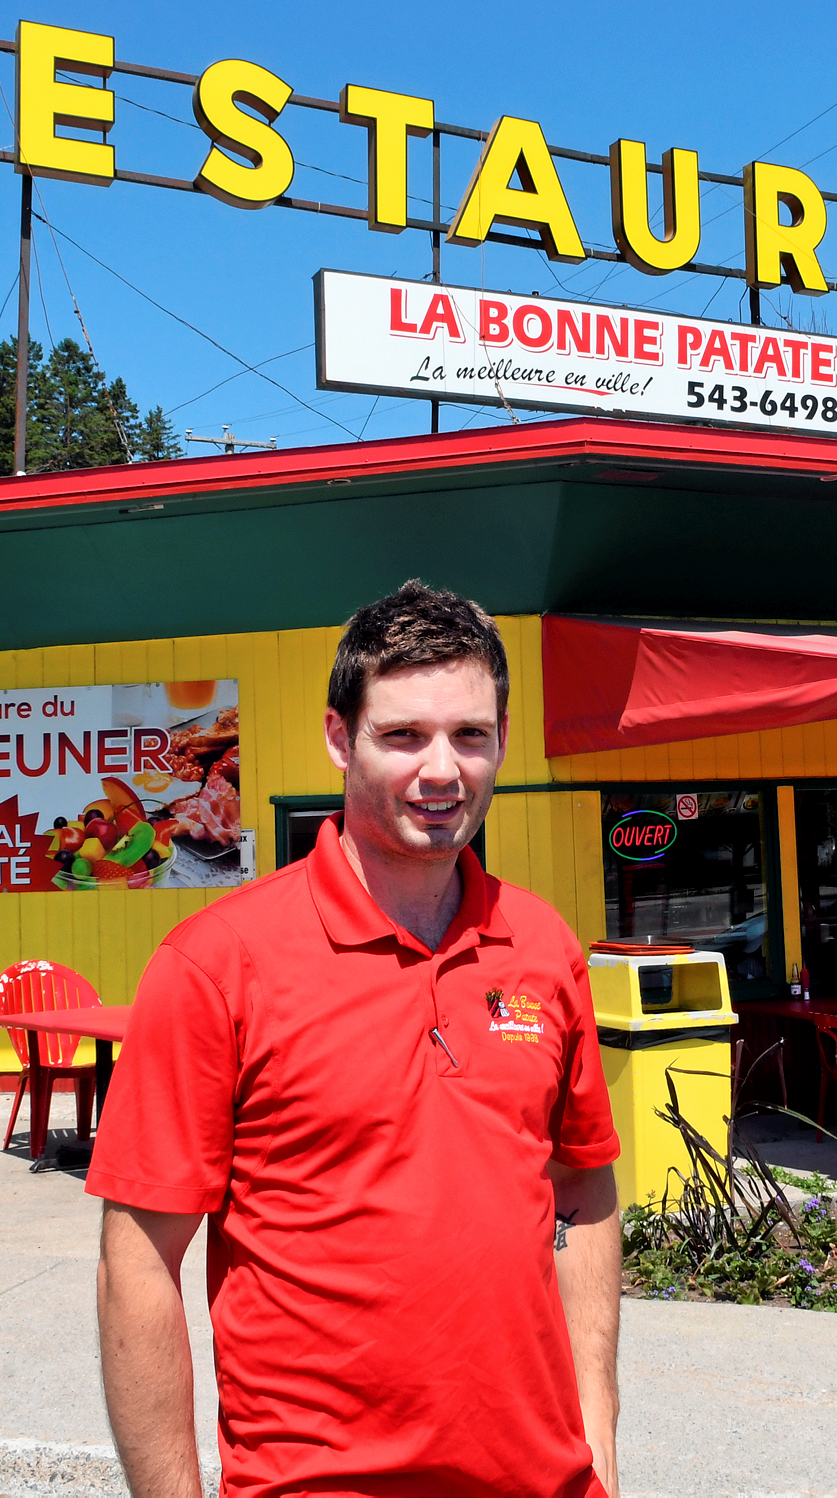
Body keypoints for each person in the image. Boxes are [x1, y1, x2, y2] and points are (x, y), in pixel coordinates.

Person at [88, 580, 622, 1498]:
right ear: (340, 737)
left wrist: (599, 1441)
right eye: (404, 735)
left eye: (471, 735)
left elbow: (581, 1191)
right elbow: (136, 1259)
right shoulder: (219, 963)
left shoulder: (542, 947)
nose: (443, 769)